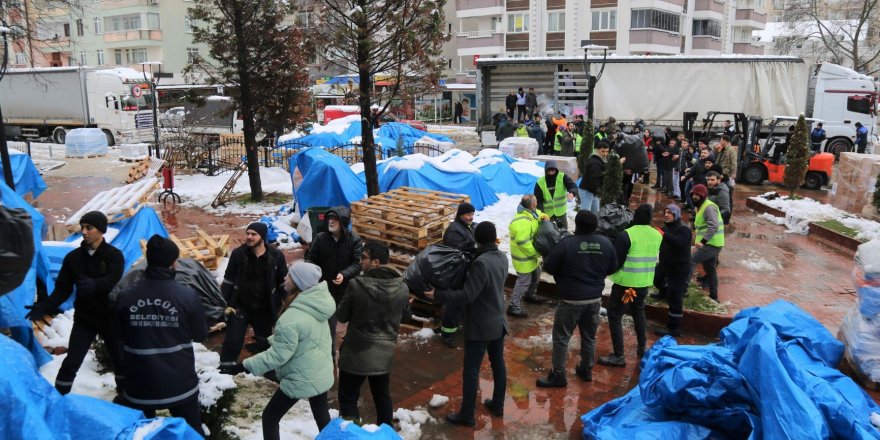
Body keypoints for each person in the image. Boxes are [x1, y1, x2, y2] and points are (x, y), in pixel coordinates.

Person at [230, 262, 334, 440]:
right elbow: (304, 336)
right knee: (322, 417)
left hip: (301, 377)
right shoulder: (318, 305)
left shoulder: (291, 317)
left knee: (270, 417)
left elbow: (277, 356)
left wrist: (243, 366)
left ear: (298, 282)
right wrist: (269, 341)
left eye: (290, 275)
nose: (285, 277)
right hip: (320, 372)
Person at [26, 211, 125, 397]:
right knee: (72, 360)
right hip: (85, 319)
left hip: (110, 317)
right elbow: (62, 289)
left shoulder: (114, 255)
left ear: (101, 230)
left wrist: (95, 284)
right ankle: (59, 397)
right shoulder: (73, 258)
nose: (84, 232)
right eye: (82, 227)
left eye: (89, 228)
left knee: (120, 360)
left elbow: (113, 279)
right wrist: (44, 306)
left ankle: (125, 396)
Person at [115, 235, 207, 435]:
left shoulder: (126, 295)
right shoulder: (187, 296)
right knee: (191, 431)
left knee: (139, 433)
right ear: (173, 262)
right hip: (179, 382)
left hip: (139, 382)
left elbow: (119, 335)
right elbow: (200, 334)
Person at [425, 222, 508, 427]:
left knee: (471, 370)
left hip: (481, 326)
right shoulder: (501, 257)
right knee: (498, 364)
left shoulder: (481, 263)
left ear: (477, 239)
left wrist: (439, 295)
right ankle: (498, 404)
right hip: (498, 322)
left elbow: (468, 295)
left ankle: (467, 415)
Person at [537, 211, 617, 387]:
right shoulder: (605, 243)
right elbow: (613, 267)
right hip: (594, 300)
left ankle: (558, 375)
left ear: (577, 225)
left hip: (570, 300)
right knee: (589, 337)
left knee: (561, 338)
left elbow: (549, 266)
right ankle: (586, 369)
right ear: (595, 226)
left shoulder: (567, 244)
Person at [336, 242, 411, 427]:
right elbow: (406, 317)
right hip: (383, 354)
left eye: (364, 258)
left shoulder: (356, 285)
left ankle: (353, 433)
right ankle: (386, 433)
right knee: (382, 395)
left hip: (356, 353)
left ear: (376, 262)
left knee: (348, 397)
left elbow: (342, 315)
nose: (361, 262)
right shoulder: (402, 287)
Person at [218, 223, 288, 373]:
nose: (249, 237)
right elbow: (228, 281)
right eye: (248, 233)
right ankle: (224, 370)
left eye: (253, 234)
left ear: (262, 237)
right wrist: (224, 305)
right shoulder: (238, 254)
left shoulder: (276, 256)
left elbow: (283, 283)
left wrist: (287, 305)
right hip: (240, 308)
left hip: (265, 310)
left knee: (265, 343)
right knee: (232, 341)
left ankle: (268, 374)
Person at [598, 204, 662, 367]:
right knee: (638, 312)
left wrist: (605, 271)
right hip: (643, 283)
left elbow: (617, 262)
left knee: (614, 316)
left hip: (625, 284)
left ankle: (619, 355)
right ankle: (642, 347)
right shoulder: (657, 235)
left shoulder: (626, 235)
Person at [305, 207, 364, 358]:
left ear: (342, 222)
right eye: (329, 219)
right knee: (328, 323)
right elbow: (311, 258)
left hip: (346, 290)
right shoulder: (321, 238)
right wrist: (313, 273)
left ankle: (349, 355)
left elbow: (357, 264)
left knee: (352, 322)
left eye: (335, 219)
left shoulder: (354, 240)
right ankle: (329, 356)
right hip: (325, 289)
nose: (330, 222)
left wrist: (344, 274)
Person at [438, 202, 477, 346]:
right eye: (468, 215)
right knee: (454, 304)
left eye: (472, 214)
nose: (471, 217)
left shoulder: (466, 227)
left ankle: (456, 325)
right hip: (456, 273)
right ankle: (447, 334)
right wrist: (474, 249)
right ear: (460, 215)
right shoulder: (455, 231)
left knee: (462, 301)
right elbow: (456, 254)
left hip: (464, 271)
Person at [652, 205, 692, 337]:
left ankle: (673, 328)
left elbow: (679, 242)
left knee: (675, 296)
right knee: (656, 278)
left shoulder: (684, 229)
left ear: (676, 214)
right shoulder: (666, 228)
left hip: (679, 268)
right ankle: (663, 292)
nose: (666, 215)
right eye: (665, 212)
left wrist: (663, 234)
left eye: (669, 212)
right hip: (665, 265)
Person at [508, 195, 547, 317]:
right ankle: (513, 306)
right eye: (536, 201)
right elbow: (522, 242)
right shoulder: (522, 222)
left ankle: (529, 295)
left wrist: (544, 216)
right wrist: (537, 253)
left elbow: (538, 214)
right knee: (523, 282)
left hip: (531, 257)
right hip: (523, 259)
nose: (537, 202)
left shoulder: (531, 212)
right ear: (531, 205)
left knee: (536, 275)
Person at [690, 184, 724, 301]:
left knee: (691, 261)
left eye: (697, 195)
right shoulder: (699, 206)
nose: (694, 197)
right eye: (693, 194)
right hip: (711, 243)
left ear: (703, 195)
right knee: (710, 268)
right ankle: (714, 296)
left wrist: (703, 241)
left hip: (711, 244)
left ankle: (683, 290)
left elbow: (713, 226)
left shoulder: (709, 207)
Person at [534, 160, 577, 231]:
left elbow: (572, 186)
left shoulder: (563, 177)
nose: (551, 173)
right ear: (545, 171)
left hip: (561, 212)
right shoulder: (540, 182)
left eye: (553, 171)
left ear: (556, 170)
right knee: (548, 232)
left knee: (563, 231)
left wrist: (572, 193)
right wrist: (542, 214)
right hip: (547, 214)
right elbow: (538, 201)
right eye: (549, 171)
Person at [579, 141, 609, 214]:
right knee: (585, 214)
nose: (605, 154)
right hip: (587, 191)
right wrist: (599, 191)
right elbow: (594, 179)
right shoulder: (595, 163)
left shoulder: (600, 160)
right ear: (597, 150)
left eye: (607, 151)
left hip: (593, 191)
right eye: (603, 151)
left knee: (595, 212)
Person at [714, 135, 737, 212]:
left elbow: (734, 162)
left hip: (727, 175)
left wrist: (733, 173)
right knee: (721, 194)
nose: (720, 142)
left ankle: (728, 213)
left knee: (728, 195)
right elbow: (717, 161)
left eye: (721, 140)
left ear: (724, 141)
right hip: (721, 175)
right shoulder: (722, 150)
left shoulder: (731, 150)